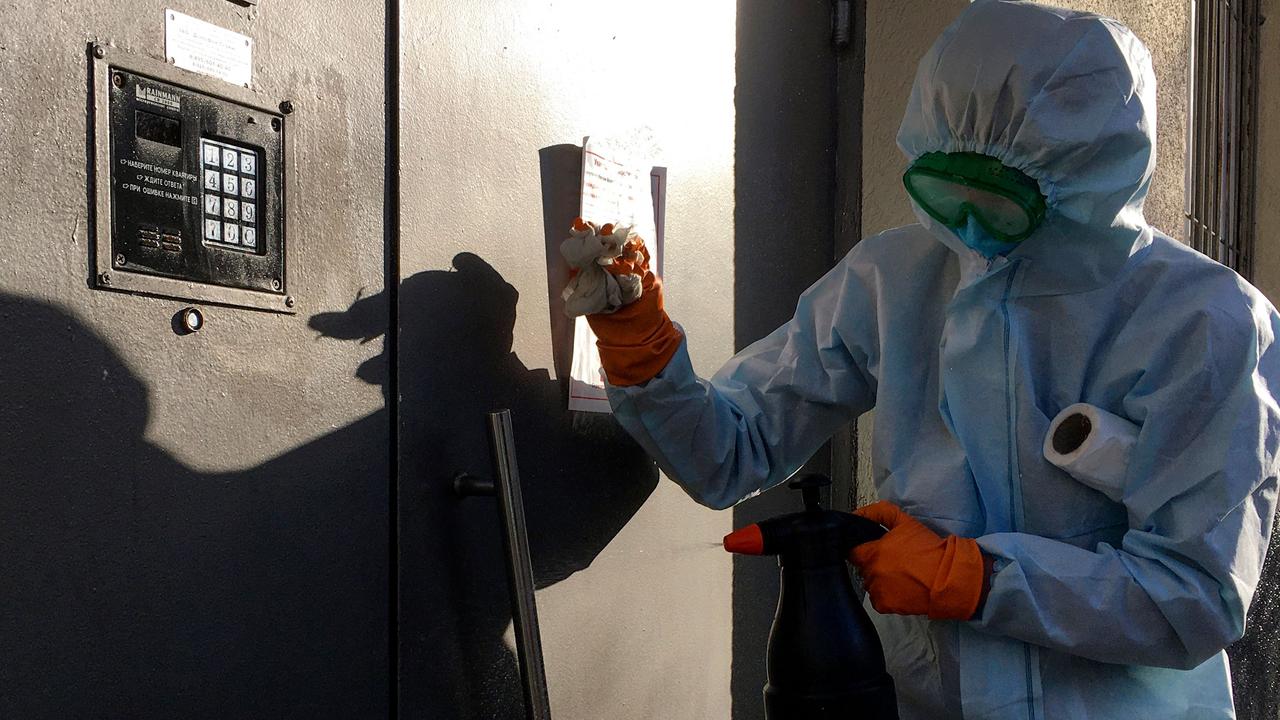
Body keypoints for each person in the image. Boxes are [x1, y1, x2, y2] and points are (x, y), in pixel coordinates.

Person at [575, 1, 1280, 718]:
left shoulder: (1205, 322)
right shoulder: (895, 279)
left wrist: (978, 579)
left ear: (1086, 183)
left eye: (1000, 202)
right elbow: (731, 452)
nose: (969, 229)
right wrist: (644, 352)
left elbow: (1196, 595)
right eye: (946, 191)